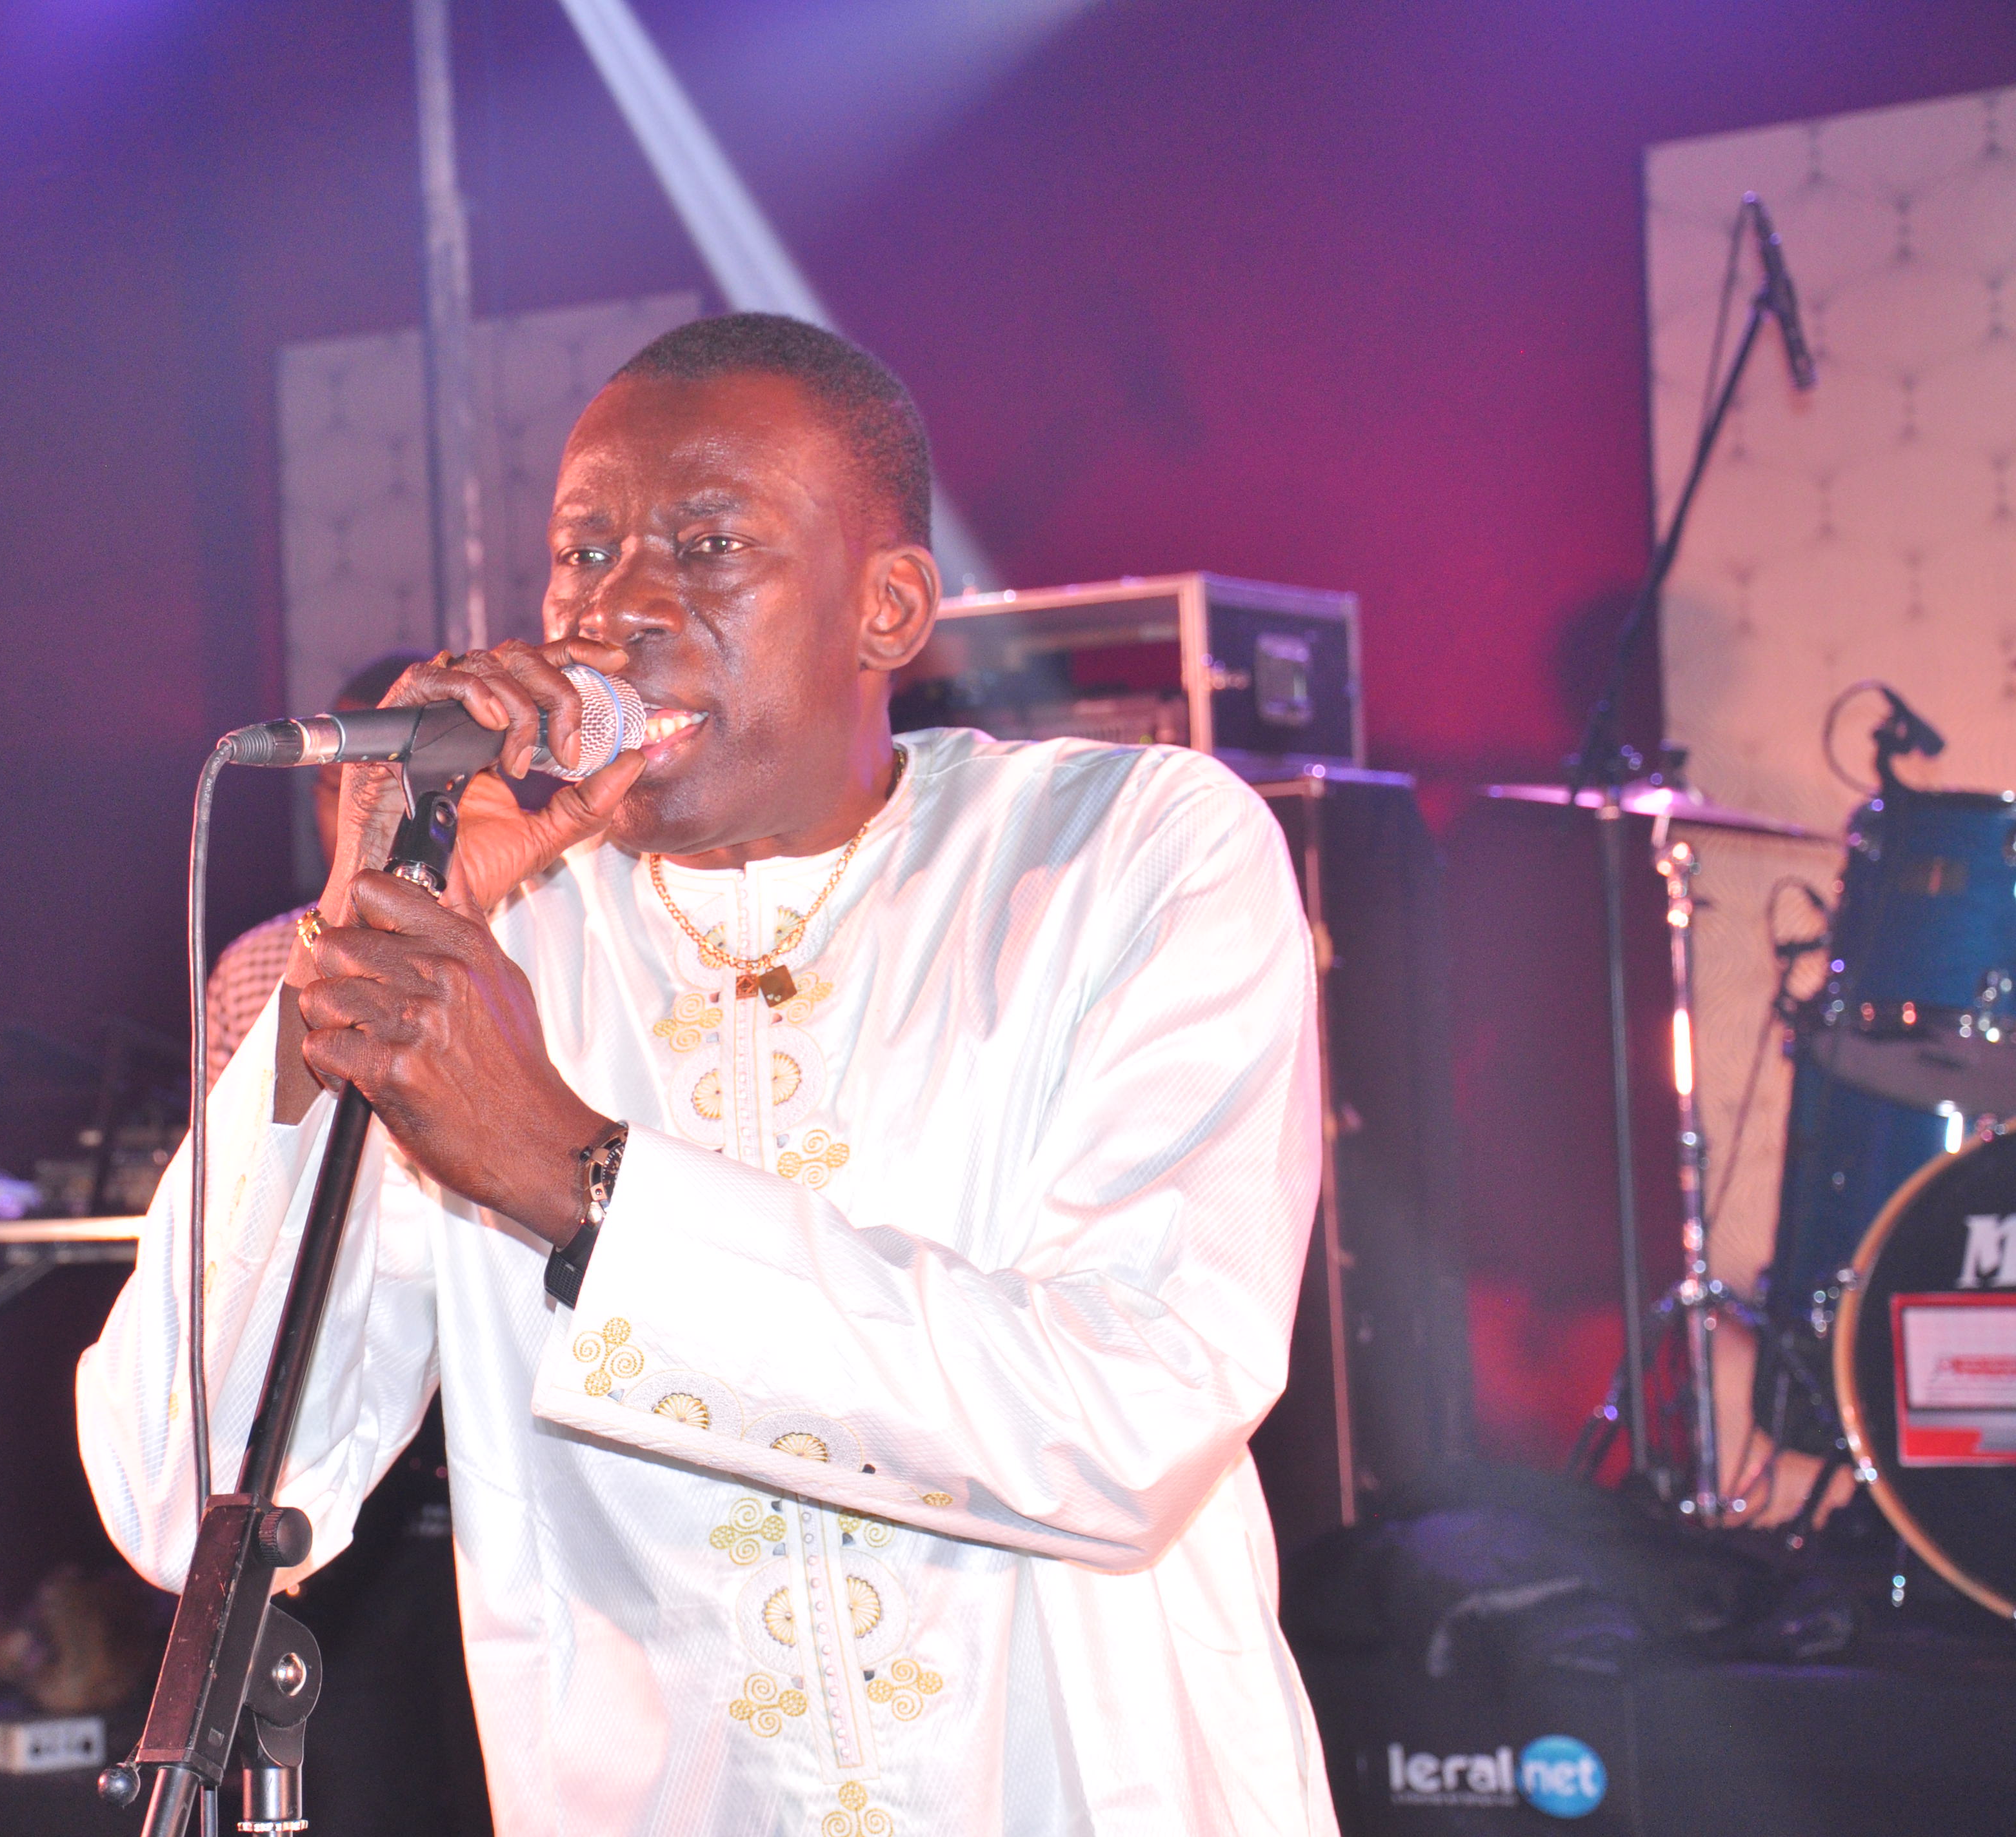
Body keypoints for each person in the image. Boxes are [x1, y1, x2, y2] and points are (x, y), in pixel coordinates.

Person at [82, 313, 1334, 1833]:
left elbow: (1126, 1411)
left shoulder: (1127, 855)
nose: (619, 610)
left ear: (887, 607)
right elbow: (178, 1489)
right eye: (583, 553)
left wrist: (573, 1179)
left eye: (706, 544)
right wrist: (374, 929)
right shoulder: (506, 940)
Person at [197, 650, 427, 1089]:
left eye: (392, 796)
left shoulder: (522, 938)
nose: (365, 820)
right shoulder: (251, 966)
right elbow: (236, 1150)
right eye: (340, 792)